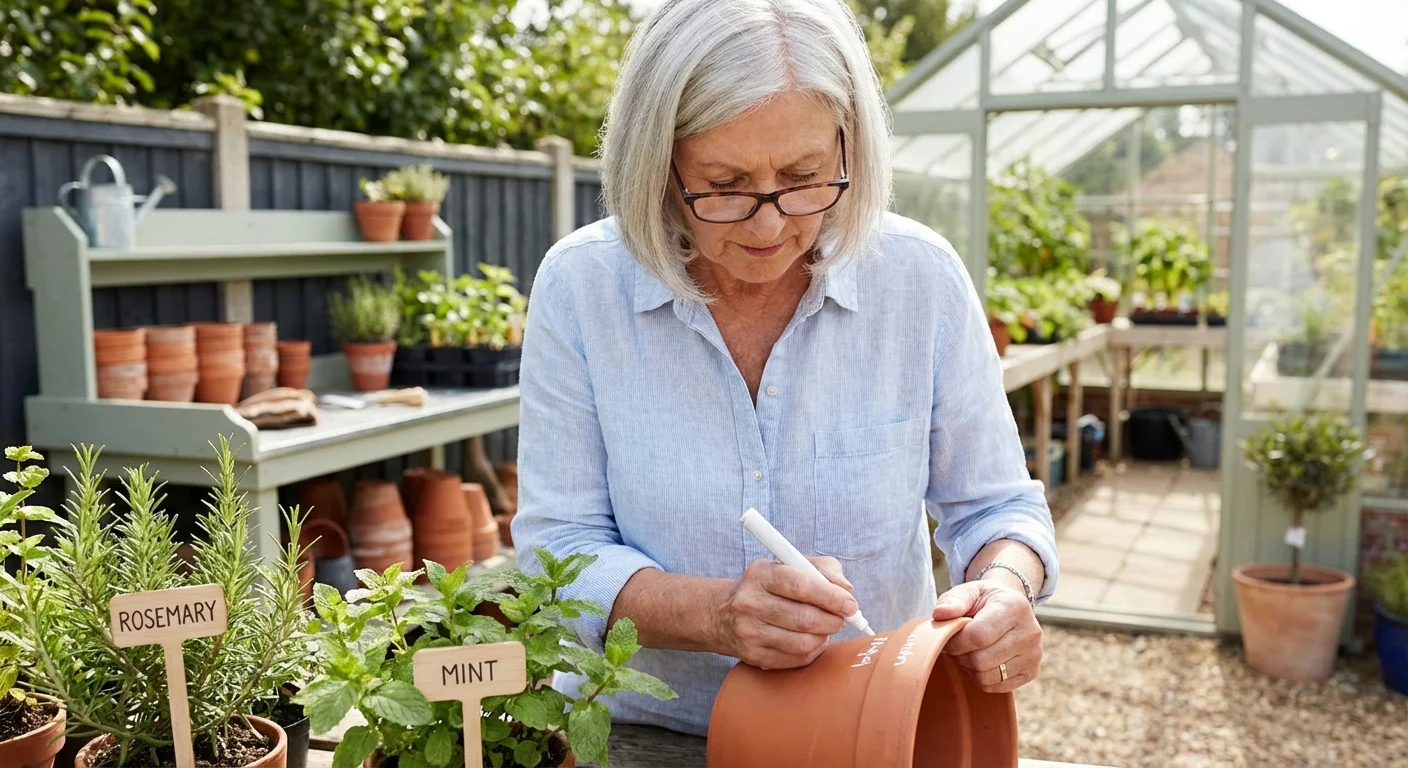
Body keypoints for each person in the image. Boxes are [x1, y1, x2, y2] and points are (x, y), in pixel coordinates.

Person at [512, 0, 1059, 737]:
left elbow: (997, 508)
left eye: (804, 175)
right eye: (725, 185)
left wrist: (1005, 587)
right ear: (660, 166)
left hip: (868, 732)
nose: (770, 225)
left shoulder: (918, 279)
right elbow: (558, 552)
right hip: (644, 735)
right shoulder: (582, 288)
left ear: (848, 147)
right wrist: (713, 615)